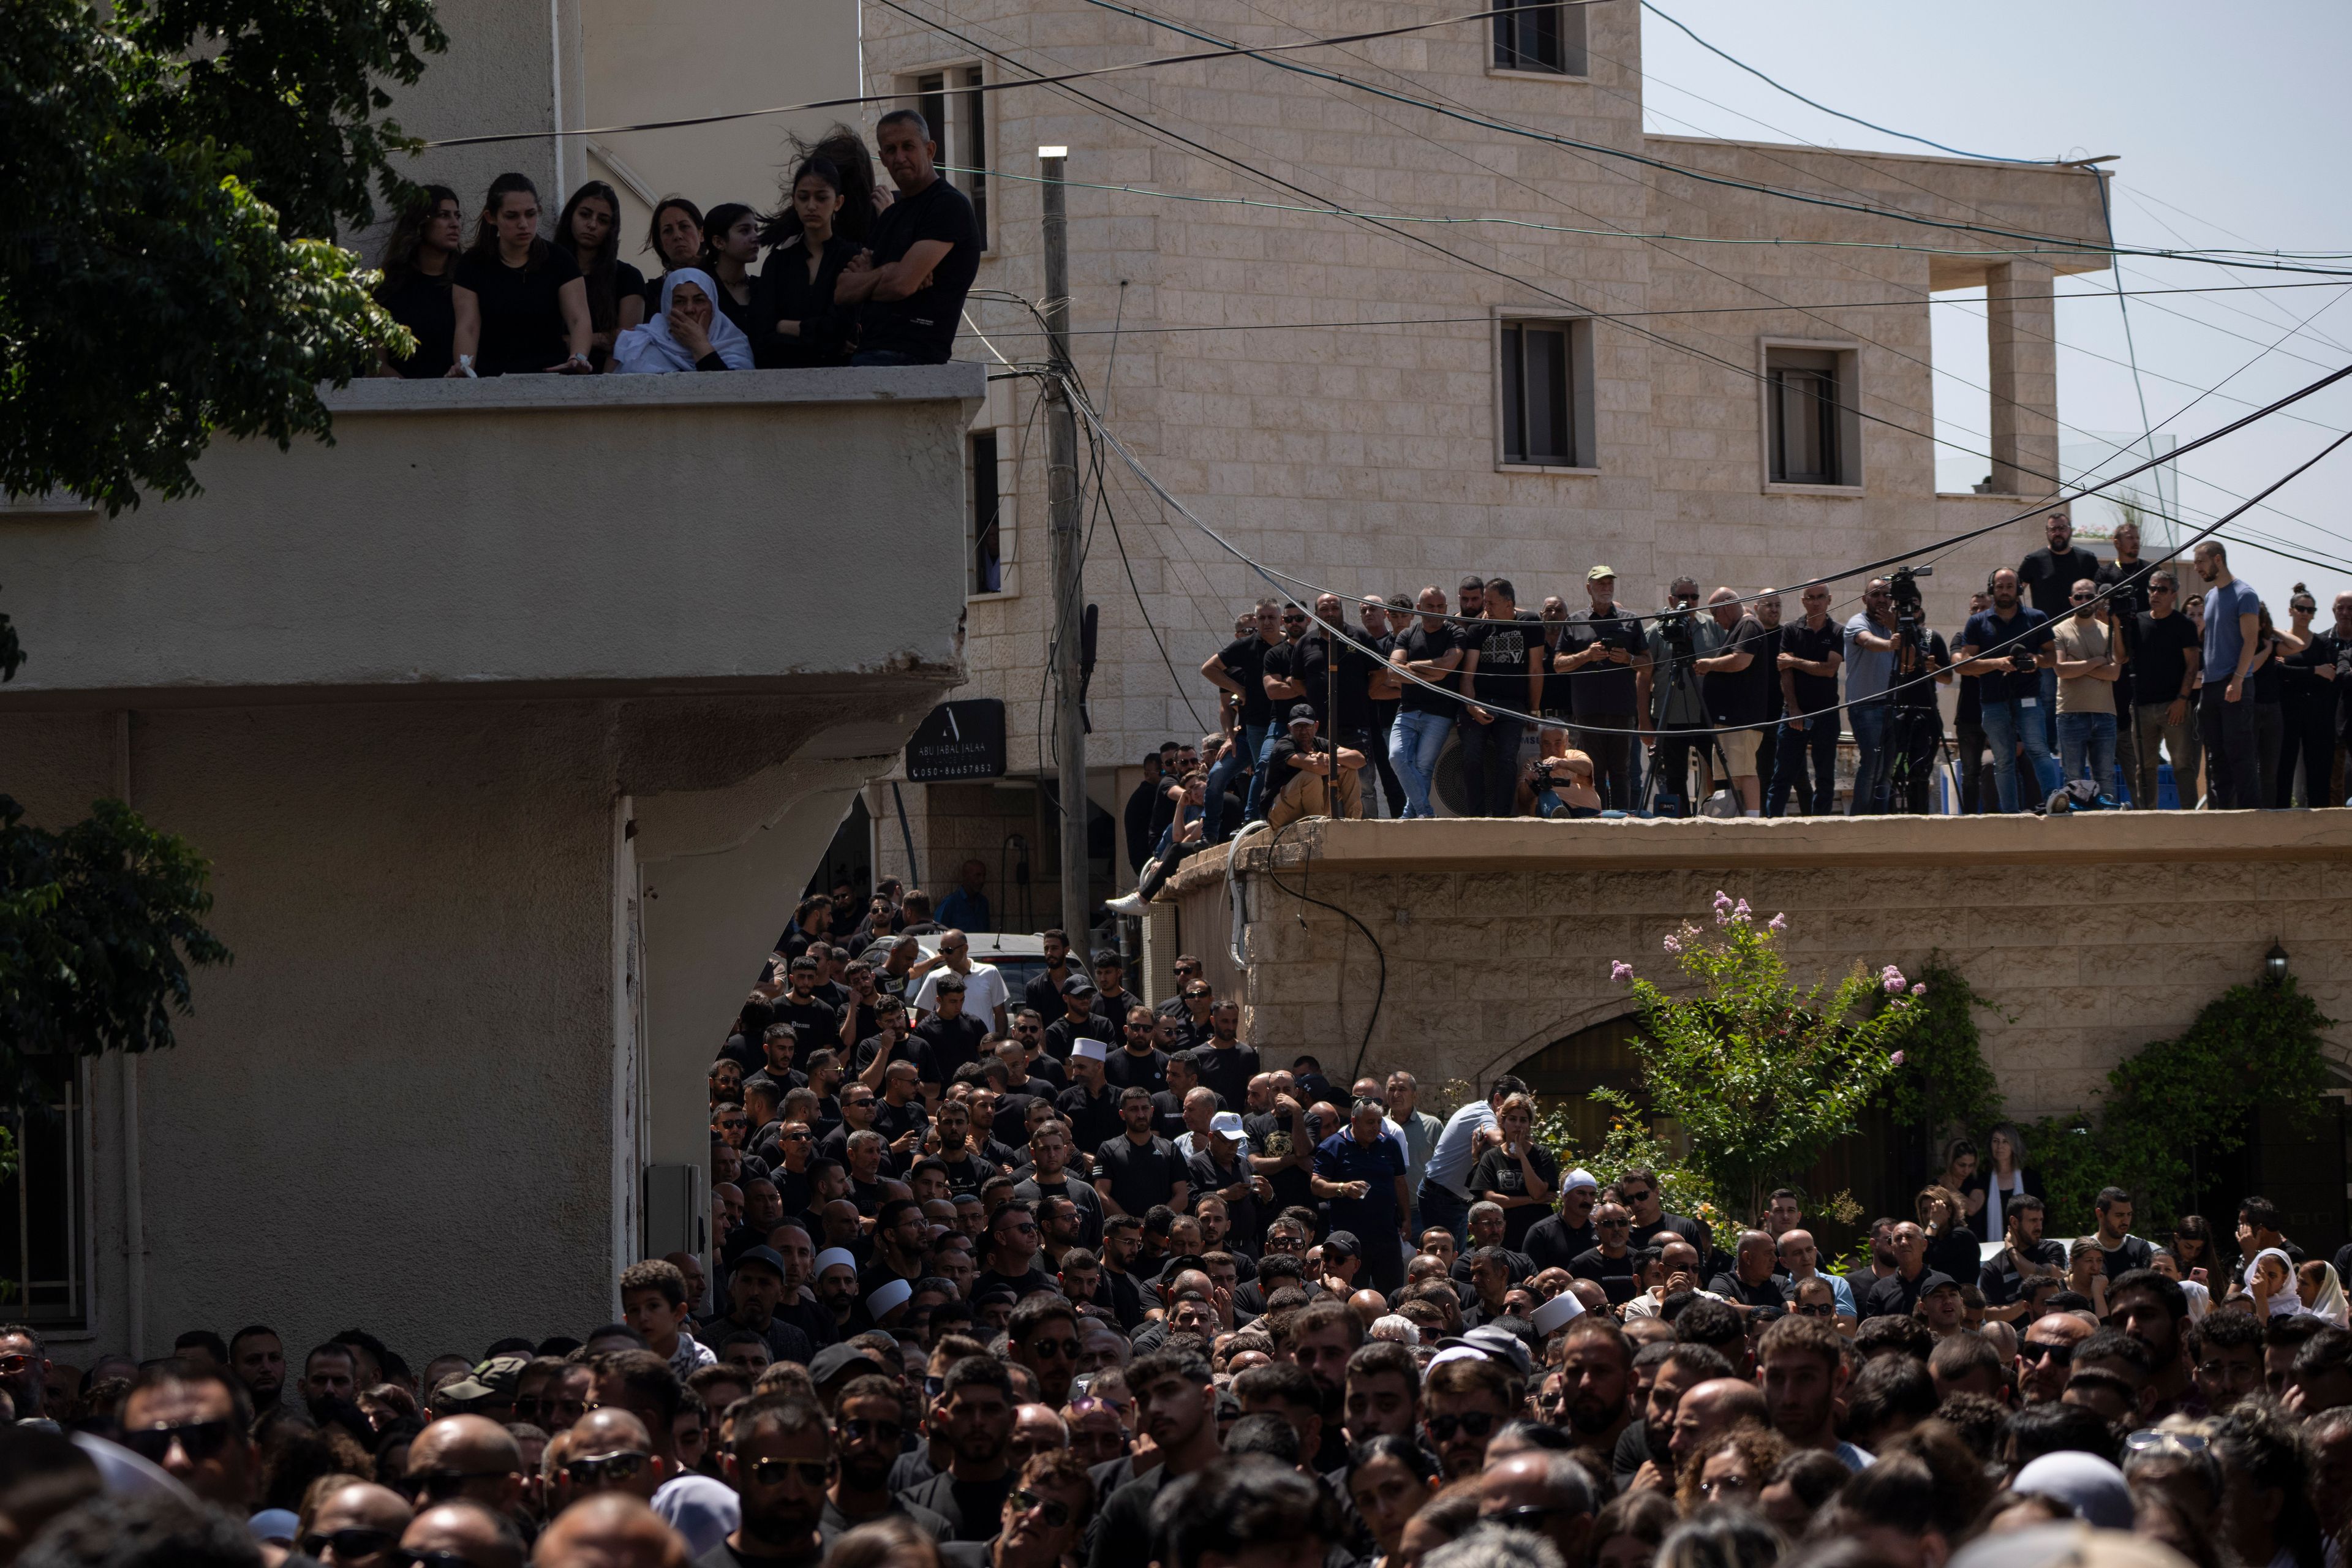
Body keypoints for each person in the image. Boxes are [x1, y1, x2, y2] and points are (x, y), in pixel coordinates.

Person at [835, 110, 982, 367]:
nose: (900, 157)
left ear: (930, 149)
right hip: (868, 353)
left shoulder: (948, 205)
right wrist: (890, 271)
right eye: (891, 150)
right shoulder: (891, 216)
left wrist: (878, 278)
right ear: (881, 158)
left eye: (908, 147)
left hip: (913, 358)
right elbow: (843, 291)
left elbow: (901, 285)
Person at [448, 172, 593, 377]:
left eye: (531, 214)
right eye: (512, 216)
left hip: (552, 376)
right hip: (493, 381)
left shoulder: (560, 260)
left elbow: (579, 319)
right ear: (491, 217)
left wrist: (577, 358)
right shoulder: (472, 264)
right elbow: (468, 326)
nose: (523, 224)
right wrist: (465, 368)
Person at [1959, 568, 2062, 813]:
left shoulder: (2036, 617)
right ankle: (2011, 814)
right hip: (1993, 701)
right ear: (1992, 589)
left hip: (2029, 698)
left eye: (2009, 586)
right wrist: (1996, 663)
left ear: (2019, 589)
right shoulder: (1977, 622)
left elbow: (2052, 657)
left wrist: (2036, 661)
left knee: (2038, 749)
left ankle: (2054, 801)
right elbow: (1964, 665)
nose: (2005, 592)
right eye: (1999, 587)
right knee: (2003, 761)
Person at [1457, 579, 1544, 816]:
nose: (1486, 608)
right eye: (1485, 602)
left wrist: (1534, 710)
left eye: (1491, 603)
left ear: (1509, 604)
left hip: (1513, 706)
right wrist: (1472, 707)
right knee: (1472, 758)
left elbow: (1536, 670)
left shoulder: (1530, 622)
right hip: (1479, 704)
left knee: (1507, 761)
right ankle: (1475, 816)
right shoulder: (1478, 629)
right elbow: (1467, 676)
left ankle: (1501, 817)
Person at [2018, 510, 2103, 751]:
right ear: (2047, 532)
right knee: (2048, 697)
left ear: (2070, 530)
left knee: (2082, 694)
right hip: (2047, 642)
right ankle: (2050, 749)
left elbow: (2100, 594)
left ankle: (2081, 748)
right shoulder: (2034, 560)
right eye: (2053, 529)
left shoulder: (2087, 559)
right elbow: (2017, 591)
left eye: (2062, 528)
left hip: (2081, 638)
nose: (2058, 533)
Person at [2192, 539, 2265, 807]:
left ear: (2218, 560)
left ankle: (2250, 816)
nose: (2198, 567)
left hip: (2235, 684)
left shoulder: (2245, 594)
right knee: (2216, 758)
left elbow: (2251, 642)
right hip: (2211, 688)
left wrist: (2237, 680)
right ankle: (2222, 817)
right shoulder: (2210, 596)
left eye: (2201, 561)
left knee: (2241, 755)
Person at [1202, 601, 1284, 837]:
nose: (1266, 623)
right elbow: (1225, 704)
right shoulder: (1242, 654)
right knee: (1223, 774)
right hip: (1253, 727)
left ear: (1280, 619)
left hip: (1285, 720)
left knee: (1266, 769)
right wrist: (1230, 736)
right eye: (1261, 619)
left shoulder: (1291, 645)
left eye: (1271, 617)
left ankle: (1255, 820)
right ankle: (1212, 834)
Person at [1641, 579, 1721, 816]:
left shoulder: (1714, 626)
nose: (1689, 602)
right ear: (1671, 600)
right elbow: (1643, 677)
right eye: (1682, 596)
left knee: (1720, 771)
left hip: (1706, 714)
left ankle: (1720, 816)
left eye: (1694, 597)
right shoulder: (1658, 631)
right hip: (1669, 716)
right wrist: (1644, 722)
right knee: (1675, 778)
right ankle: (1681, 823)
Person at [551, 180, 647, 370]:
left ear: (612, 228)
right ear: (571, 216)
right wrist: (601, 338)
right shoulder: (548, 272)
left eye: (603, 220)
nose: (592, 224)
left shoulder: (628, 277)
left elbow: (626, 343)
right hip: (548, 374)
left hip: (605, 380)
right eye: (585, 215)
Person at [1389, 587, 1467, 819]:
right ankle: (1424, 812)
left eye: (1440, 606)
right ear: (1419, 609)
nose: (1436, 611)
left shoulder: (1456, 633)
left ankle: (1410, 815)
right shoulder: (1406, 635)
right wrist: (1432, 674)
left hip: (1440, 713)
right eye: (1430, 607)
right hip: (1408, 710)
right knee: (1396, 757)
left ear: (1446, 607)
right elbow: (1392, 672)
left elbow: (1448, 666)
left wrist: (1411, 667)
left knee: (1424, 767)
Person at [1694, 588, 1773, 816]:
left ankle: (1753, 820)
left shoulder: (1749, 625)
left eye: (1715, 613)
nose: (1716, 621)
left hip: (1741, 718)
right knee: (1735, 773)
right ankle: (1739, 816)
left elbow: (1741, 661)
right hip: (1730, 719)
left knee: (1745, 770)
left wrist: (1709, 665)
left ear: (1727, 605)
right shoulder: (1740, 627)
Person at [374, 183, 463, 378]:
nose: (455, 224)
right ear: (420, 222)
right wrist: (411, 395)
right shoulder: (388, 286)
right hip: (401, 401)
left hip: (460, 398)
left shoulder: (466, 282)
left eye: (457, 216)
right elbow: (376, 363)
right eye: (444, 215)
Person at [1771, 581, 1844, 816]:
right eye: (1810, 597)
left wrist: (1796, 661)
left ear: (1829, 600)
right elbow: (1785, 670)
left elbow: (1829, 670)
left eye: (1820, 597)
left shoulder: (1837, 632)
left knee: (1825, 777)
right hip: (1794, 712)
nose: (1815, 602)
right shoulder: (1791, 630)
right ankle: (1771, 827)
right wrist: (1793, 708)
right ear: (1803, 601)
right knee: (1782, 774)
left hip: (1826, 713)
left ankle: (1820, 826)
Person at [609, 270, 755, 374]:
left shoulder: (735, 345)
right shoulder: (638, 343)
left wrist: (700, 345)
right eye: (679, 301)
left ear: (713, 307)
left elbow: (732, 397)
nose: (689, 309)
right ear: (667, 308)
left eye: (699, 300)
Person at [1843, 579, 1900, 815]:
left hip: (1891, 705)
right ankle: (1860, 818)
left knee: (1887, 769)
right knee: (1872, 765)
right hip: (1865, 707)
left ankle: (1881, 817)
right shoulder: (1857, 622)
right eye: (1876, 595)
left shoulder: (1891, 625)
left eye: (1887, 595)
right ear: (1865, 599)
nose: (1882, 600)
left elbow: (1908, 654)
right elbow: (1867, 641)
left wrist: (1895, 627)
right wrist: (1890, 643)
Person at [1263, 704, 1366, 827]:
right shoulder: (1283, 745)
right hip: (1280, 813)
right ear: (1289, 728)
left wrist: (1330, 758)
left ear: (1316, 726)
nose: (1303, 731)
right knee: (1311, 776)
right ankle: (1316, 826)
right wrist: (1339, 764)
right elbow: (1316, 767)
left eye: (1307, 726)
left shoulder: (1321, 744)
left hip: (1309, 807)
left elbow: (1360, 760)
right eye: (1298, 727)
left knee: (1350, 770)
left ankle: (1354, 823)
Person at [641, 195, 707, 315]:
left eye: (684, 227)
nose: (677, 236)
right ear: (661, 243)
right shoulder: (650, 295)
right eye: (668, 231)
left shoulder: (724, 282)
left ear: (701, 234)